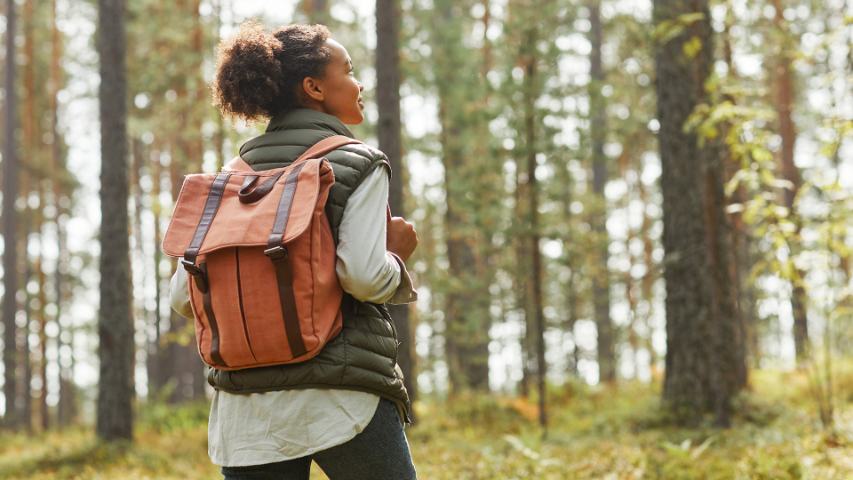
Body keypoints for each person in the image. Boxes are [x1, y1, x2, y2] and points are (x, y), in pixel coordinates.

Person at [169, 21, 419, 480]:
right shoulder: (356, 161)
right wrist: (397, 256)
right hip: (342, 398)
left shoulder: (230, 178)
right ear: (315, 87)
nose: (359, 82)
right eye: (348, 69)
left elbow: (182, 298)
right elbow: (363, 277)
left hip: (246, 416)